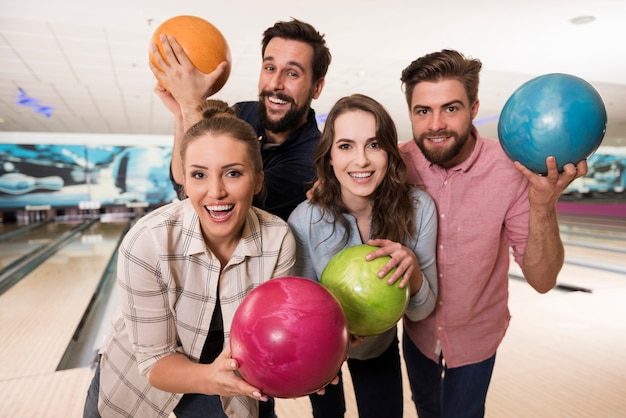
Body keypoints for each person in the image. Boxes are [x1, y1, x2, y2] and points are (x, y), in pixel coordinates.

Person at [396, 49, 589, 418]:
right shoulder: (396, 163)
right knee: (425, 409)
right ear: (411, 114)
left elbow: (543, 279)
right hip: (417, 331)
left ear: (473, 107)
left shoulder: (511, 168)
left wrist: (544, 204)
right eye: (424, 111)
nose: (436, 124)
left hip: (476, 339)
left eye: (451, 108)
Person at [82, 99, 296, 418]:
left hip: (229, 380)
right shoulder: (148, 242)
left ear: (258, 180)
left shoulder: (278, 239)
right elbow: (155, 363)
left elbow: (273, 336)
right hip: (136, 391)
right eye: (199, 175)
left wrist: (308, 367)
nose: (215, 191)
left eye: (233, 173)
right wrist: (212, 377)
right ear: (184, 181)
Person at [288, 94, 439, 418]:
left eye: (373, 145)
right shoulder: (305, 219)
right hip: (321, 348)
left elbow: (421, 311)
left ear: (389, 151)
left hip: (378, 345)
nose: (361, 161)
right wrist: (329, 339)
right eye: (345, 146)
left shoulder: (419, 208)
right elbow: (301, 308)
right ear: (329, 156)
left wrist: (410, 269)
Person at [150, 18, 331, 221]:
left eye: (292, 73)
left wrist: (192, 105)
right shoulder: (242, 112)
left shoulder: (315, 161)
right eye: (270, 68)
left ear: (316, 88)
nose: (275, 83)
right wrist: (181, 114)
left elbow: (216, 204)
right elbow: (184, 183)